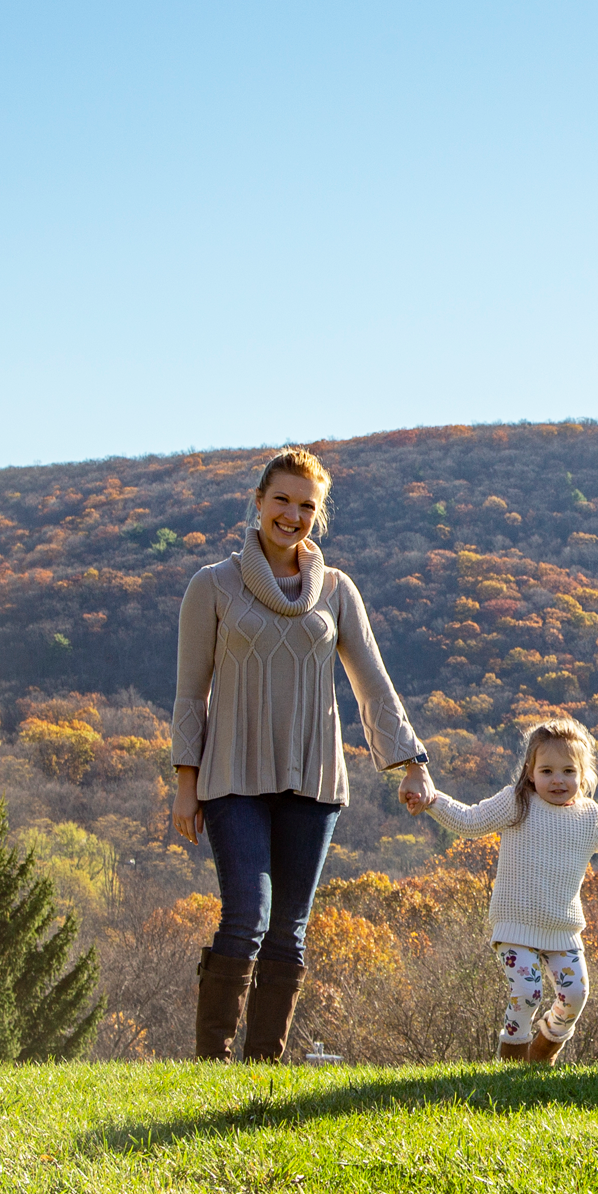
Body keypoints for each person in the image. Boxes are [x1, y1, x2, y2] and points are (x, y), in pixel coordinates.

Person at [171, 448, 433, 1061]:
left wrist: (411, 762)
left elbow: (374, 681)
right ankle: (211, 1063)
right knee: (248, 914)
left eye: (306, 506)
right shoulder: (212, 585)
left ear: (319, 515)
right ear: (258, 502)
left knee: (290, 927)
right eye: (282, 500)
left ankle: (263, 1065)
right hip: (231, 777)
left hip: (313, 782)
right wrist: (186, 782)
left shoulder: (337, 591)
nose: (292, 515)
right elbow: (190, 691)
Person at [401, 715, 598, 1062]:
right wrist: (432, 800)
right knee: (526, 993)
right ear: (530, 771)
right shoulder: (517, 803)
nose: (558, 780)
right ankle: (510, 1064)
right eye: (547, 771)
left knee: (575, 995)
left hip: (562, 929)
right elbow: (469, 821)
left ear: (583, 776)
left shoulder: (589, 817)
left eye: (569, 771)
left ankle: (541, 1054)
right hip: (515, 924)